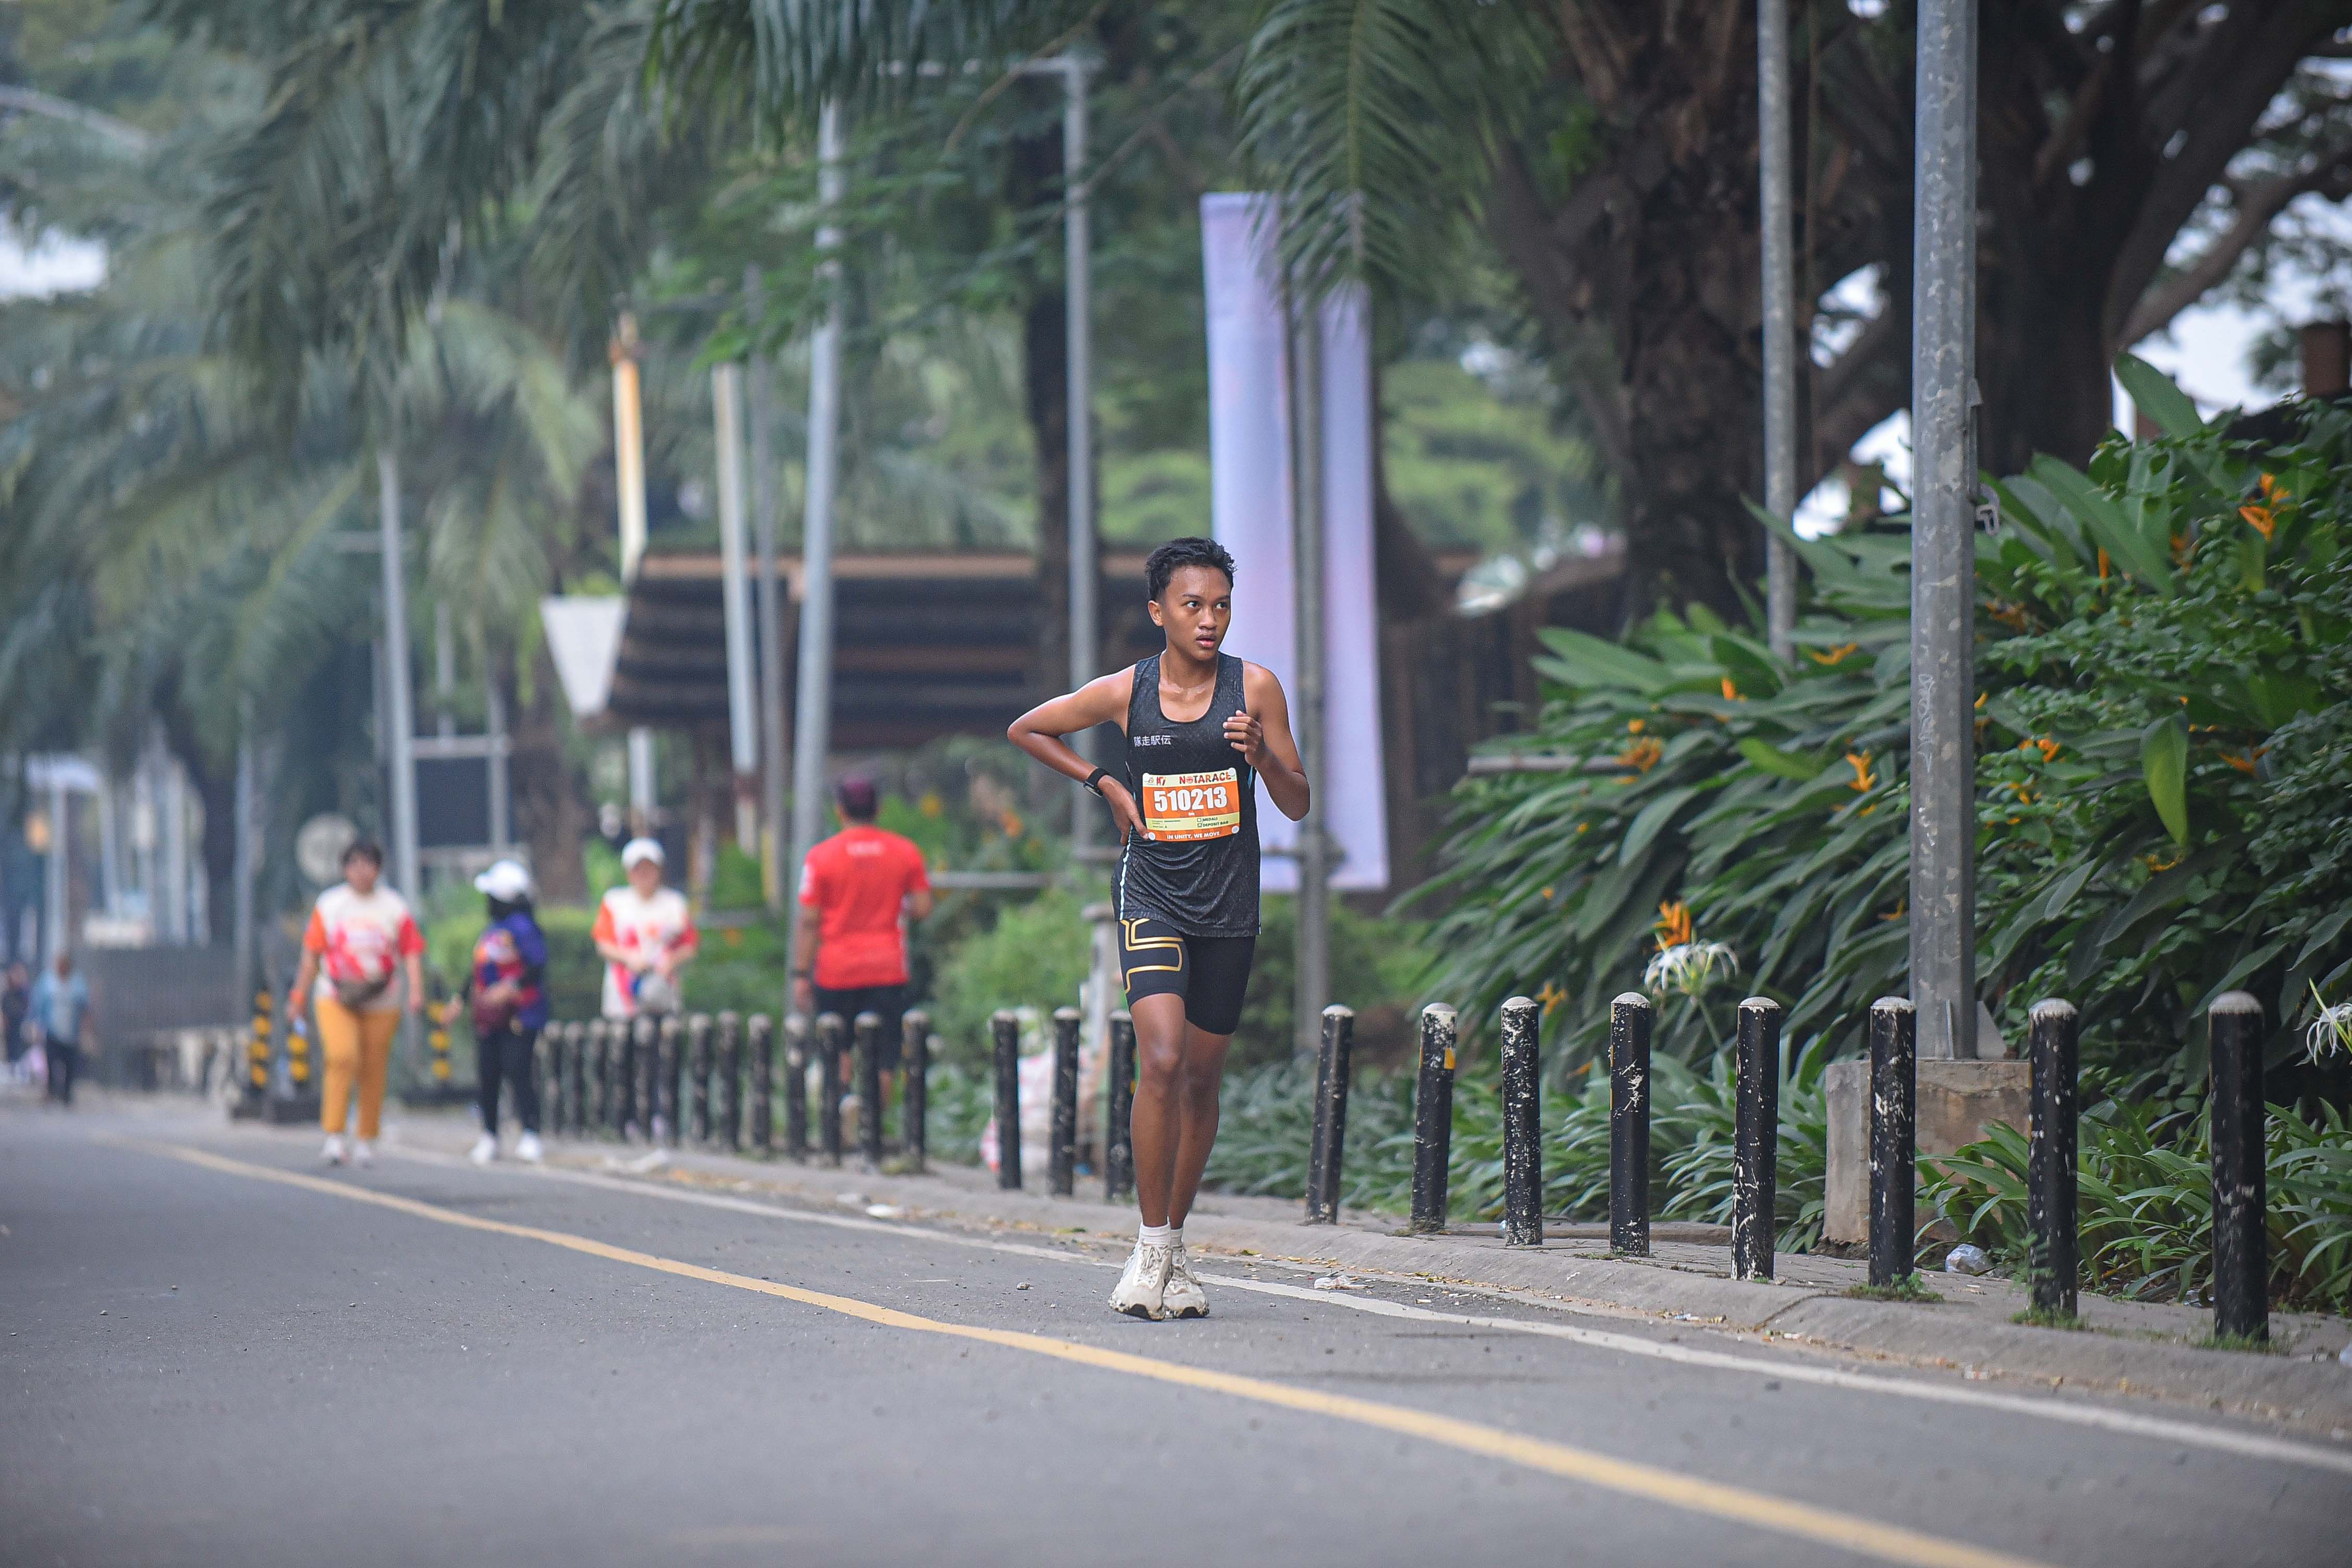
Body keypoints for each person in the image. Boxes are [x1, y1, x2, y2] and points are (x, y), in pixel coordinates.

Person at [1009, 536, 1308, 1320]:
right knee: (1164, 1057)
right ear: (1158, 612)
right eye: (1192, 605)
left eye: (1221, 607)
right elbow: (1029, 729)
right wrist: (1105, 782)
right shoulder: (1126, 691)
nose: (1209, 620)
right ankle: (1147, 1248)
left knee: (1202, 1081)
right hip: (1151, 894)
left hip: (1229, 904)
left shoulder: (1255, 688)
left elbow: (1298, 801)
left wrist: (1261, 757)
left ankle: (1174, 1245)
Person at [792, 775, 935, 1128]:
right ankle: (872, 1127)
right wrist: (894, 905)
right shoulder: (905, 851)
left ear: (840, 810)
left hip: (836, 968)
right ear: (878, 809)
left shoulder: (821, 857)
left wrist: (800, 973)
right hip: (887, 966)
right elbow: (922, 907)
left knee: (837, 1045)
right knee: (885, 1054)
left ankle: (843, 1111)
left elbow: (809, 921)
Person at [288, 839, 425, 1168]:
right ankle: (335, 1135)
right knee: (342, 1056)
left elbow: (411, 950)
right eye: (355, 864)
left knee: (373, 1066)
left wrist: (416, 990)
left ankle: (366, 1137)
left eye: (368, 864)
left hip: (382, 997)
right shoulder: (331, 904)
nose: (361, 871)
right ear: (345, 869)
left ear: (378, 869)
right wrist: (299, 995)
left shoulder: (393, 906)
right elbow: (312, 954)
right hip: (335, 996)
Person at [591, 838, 697, 1137]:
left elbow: (690, 945)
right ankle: (626, 1120)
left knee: (662, 1058)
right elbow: (603, 943)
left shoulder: (674, 904)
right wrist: (629, 959)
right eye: (638, 870)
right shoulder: (615, 902)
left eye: (649, 869)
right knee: (624, 1058)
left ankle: (662, 1117)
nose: (644, 875)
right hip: (623, 997)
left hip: (662, 995)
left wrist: (670, 962)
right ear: (629, 872)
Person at [467, 859, 548, 1165]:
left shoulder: (524, 928)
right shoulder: (491, 931)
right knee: (488, 1075)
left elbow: (536, 966)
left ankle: (531, 1132)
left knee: (518, 1071)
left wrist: (509, 989)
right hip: (489, 1020)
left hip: (519, 1016)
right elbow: (478, 970)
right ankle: (489, 1134)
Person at [28, 951, 93, 1107]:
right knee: (51, 1062)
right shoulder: (47, 981)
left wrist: (87, 1029)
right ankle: (51, 1091)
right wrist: (36, 1026)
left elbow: (85, 1006)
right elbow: (37, 1004)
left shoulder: (77, 983)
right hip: (52, 1031)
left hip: (71, 1032)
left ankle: (66, 1094)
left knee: (70, 1064)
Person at [3, 961, 29, 1077]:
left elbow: (27, 1007)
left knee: (19, 1046)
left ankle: (19, 1068)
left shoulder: (24, 992)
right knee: (10, 1047)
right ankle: (11, 1068)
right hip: (10, 1024)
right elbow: (5, 1008)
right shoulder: (7, 993)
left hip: (20, 1023)